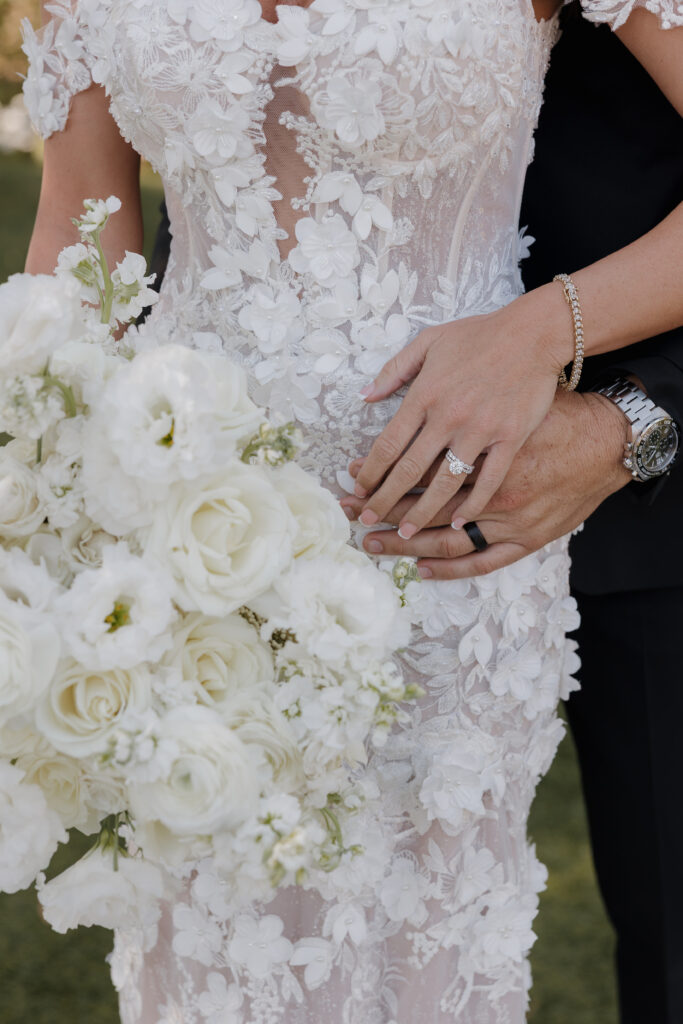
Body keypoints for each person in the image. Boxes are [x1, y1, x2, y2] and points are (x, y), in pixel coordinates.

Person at [19, 2, 682, 1023]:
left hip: (445, 534)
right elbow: (77, 232)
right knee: (207, 951)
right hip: (173, 531)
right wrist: (40, 493)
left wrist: (542, 330)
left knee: (418, 958)